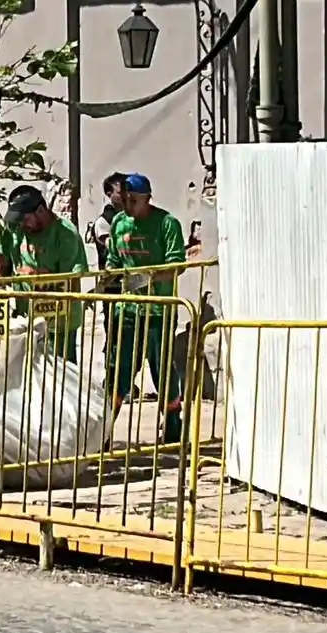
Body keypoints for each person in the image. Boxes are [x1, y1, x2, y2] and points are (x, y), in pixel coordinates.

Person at [104, 173, 187, 444]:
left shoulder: (166, 223)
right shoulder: (119, 222)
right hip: (127, 311)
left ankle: (173, 423)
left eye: (134, 201)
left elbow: (177, 265)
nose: (128, 207)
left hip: (158, 311)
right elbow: (115, 261)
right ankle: (102, 430)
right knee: (119, 369)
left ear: (148, 198)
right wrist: (109, 274)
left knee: (161, 368)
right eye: (125, 200)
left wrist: (147, 278)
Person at [0, 185, 90, 363]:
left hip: (58, 323)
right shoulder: (12, 227)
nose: (21, 224)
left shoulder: (66, 234)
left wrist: (36, 276)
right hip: (23, 319)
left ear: (41, 210)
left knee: (60, 378)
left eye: (25, 219)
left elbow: (71, 282)